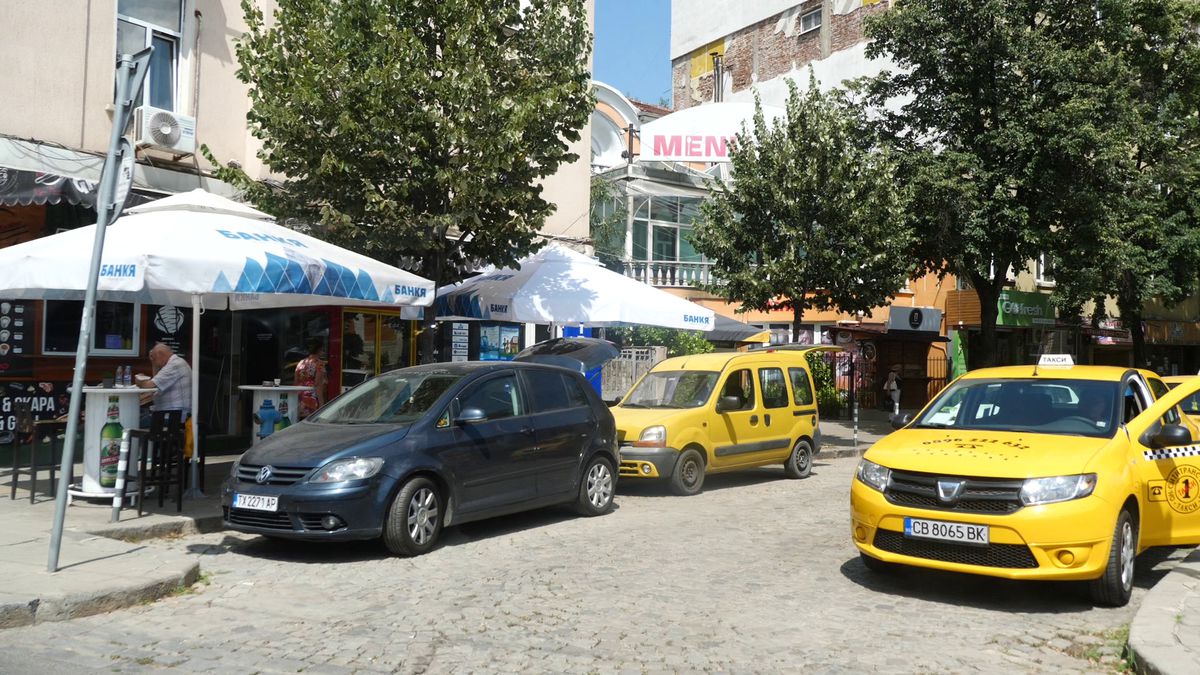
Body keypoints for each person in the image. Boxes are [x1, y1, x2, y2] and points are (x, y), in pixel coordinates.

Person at [136, 342, 192, 428]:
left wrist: (139, 380)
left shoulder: (174, 365)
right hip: (169, 414)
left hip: (172, 417)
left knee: (135, 421)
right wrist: (154, 364)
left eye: (154, 358)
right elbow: (157, 381)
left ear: (160, 354)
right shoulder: (176, 362)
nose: (154, 361)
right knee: (139, 415)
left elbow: (149, 385)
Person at [294, 338, 327, 419]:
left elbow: (295, 382)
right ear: (320, 349)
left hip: (299, 397)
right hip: (311, 398)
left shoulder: (301, 362)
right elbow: (318, 385)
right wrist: (322, 405)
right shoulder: (319, 364)